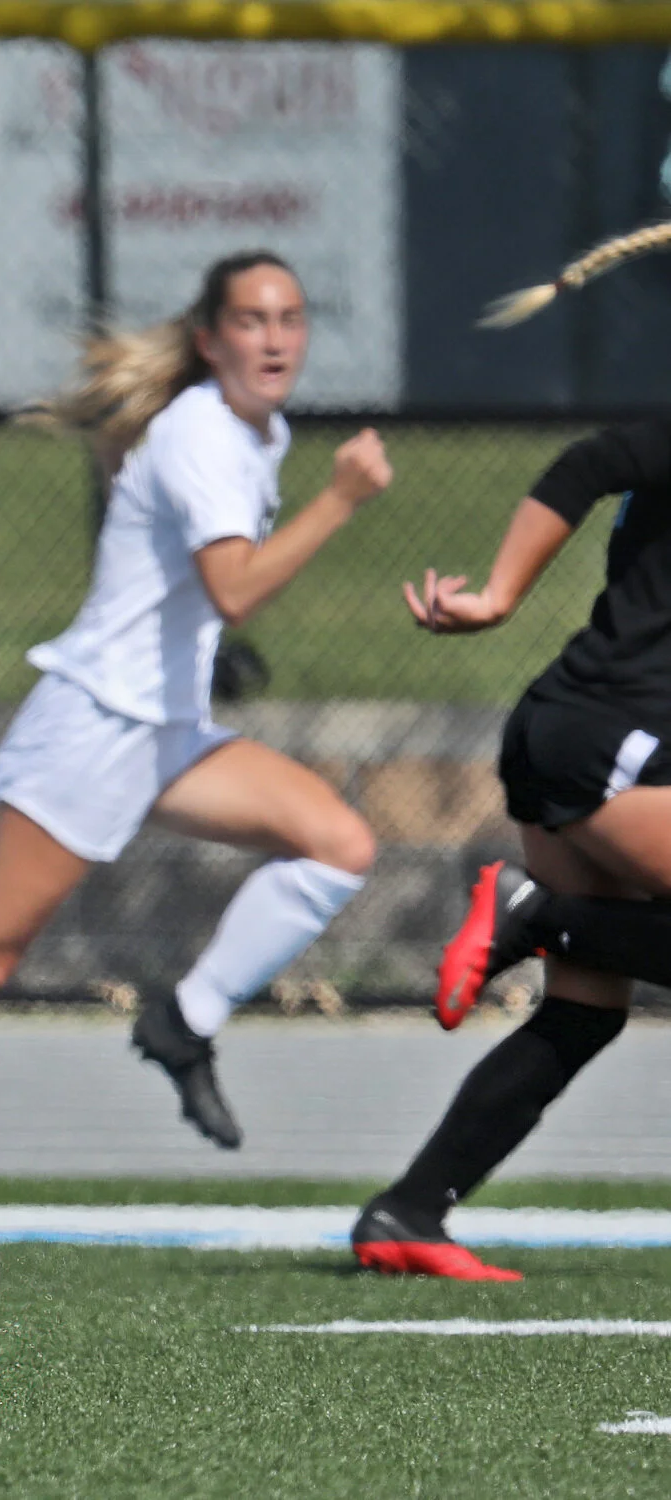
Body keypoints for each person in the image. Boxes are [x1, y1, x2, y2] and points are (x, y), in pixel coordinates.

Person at [0, 251, 394, 1234]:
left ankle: (183, 1022)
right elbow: (233, 586)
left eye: (291, 319)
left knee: (340, 844)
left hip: (166, 729)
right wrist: (342, 497)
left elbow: (187, 584)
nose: (276, 338)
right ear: (209, 338)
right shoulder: (200, 433)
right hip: (94, 726)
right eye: (253, 320)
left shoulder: (254, 430)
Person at [353, 221, 671, 1281]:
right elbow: (593, 462)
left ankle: (407, 1211)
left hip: (567, 734)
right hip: (610, 744)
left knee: (584, 1015)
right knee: (574, 958)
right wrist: (496, 595)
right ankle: (533, 916)